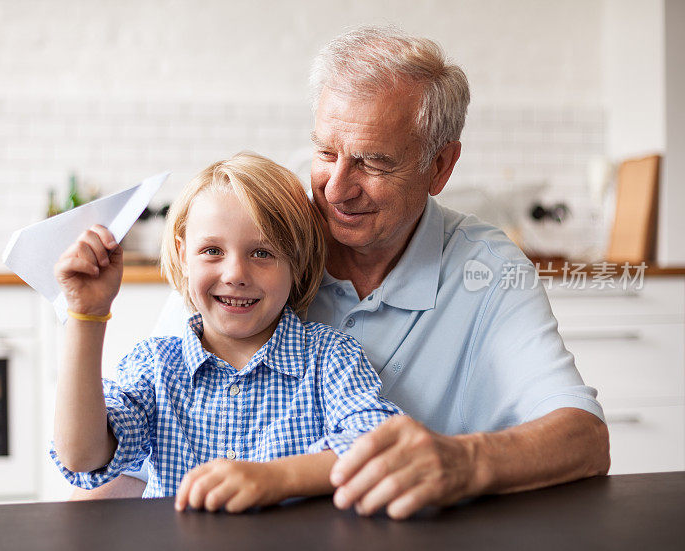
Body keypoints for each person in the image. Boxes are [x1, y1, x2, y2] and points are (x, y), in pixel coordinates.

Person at [71, 26, 610, 520]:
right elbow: (128, 454)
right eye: (326, 152)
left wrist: (460, 461)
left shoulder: (486, 271)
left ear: (440, 166)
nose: (336, 188)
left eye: (373, 163)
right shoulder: (260, 234)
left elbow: (584, 439)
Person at [51, 151, 402, 512]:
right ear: (183, 255)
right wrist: (86, 315)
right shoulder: (154, 366)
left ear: (296, 261)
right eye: (212, 250)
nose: (235, 274)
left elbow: (381, 446)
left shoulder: (330, 358)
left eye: (262, 253)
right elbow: (83, 457)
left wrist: (275, 479)